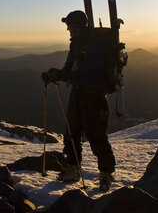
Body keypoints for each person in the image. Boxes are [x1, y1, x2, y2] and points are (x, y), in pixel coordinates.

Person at [41, 10, 115, 191]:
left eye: (70, 25)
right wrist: (55, 75)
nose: (67, 28)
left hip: (93, 97)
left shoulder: (94, 44)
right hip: (78, 94)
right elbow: (70, 68)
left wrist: (63, 75)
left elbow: (88, 72)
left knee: (96, 136)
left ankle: (106, 174)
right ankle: (73, 169)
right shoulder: (75, 44)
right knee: (71, 133)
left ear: (78, 26)